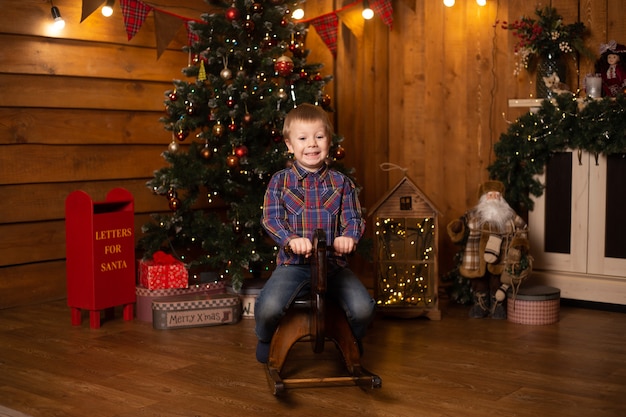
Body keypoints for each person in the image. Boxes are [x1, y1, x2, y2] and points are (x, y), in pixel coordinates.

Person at [254, 103, 375, 363]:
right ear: (289, 145)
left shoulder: (342, 183)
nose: (312, 144)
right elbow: (271, 218)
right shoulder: (280, 181)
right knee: (269, 308)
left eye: (319, 137)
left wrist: (349, 237)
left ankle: (352, 339)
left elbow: (354, 218)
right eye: (303, 138)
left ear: (329, 141)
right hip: (294, 265)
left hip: (333, 266)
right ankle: (266, 338)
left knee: (363, 308)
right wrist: (291, 239)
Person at [447, 181, 529, 319]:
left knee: (497, 281)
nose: (493, 198)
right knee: (478, 281)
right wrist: (457, 227)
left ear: (501, 198)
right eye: (490, 195)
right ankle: (481, 304)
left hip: (501, 255)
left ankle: (498, 305)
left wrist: (519, 243)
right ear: (484, 197)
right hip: (476, 256)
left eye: (496, 195)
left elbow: (523, 228)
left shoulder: (510, 215)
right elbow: (461, 223)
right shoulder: (473, 213)